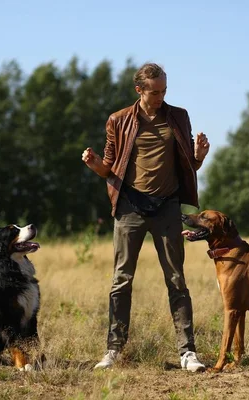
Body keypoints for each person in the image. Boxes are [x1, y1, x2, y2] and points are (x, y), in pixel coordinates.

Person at [81, 62, 210, 372]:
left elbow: (189, 164)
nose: (160, 96)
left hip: (167, 206)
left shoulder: (178, 116)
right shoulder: (119, 120)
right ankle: (114, 350)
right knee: (121, 280)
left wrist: (200, 155)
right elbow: (109, 168)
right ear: (139, 90)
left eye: (164, 90)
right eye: (155, 92)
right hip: (130, 208)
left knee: (176, 279)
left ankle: (187, 353)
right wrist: (95, 163)